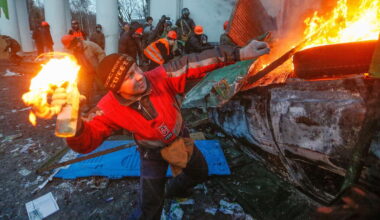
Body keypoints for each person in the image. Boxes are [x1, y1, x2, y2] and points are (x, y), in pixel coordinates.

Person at [47, 38, 270, 219]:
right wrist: (73, 123)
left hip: (180, 139)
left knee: (200, 172)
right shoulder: (107, 108)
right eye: (128, 78)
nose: (139, 77)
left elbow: (193, 61)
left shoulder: (160, 77)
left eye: (135, 70)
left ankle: (173, 190)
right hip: (151, 152)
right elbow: (88, 142)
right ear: (116, 89)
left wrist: (239, 53)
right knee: (150, 204)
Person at [61, 35, 105, 110]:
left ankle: (105, 104)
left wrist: (101, 65)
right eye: (71, 47)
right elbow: (68, 61)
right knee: (84, 90)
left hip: (96, 70)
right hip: (84, 73)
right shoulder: (70, 51)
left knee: (103, 86)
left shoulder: (90, 45)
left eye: (73, 46)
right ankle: (85, 106)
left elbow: (101, 53)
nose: (74, 48)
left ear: (77, 42)